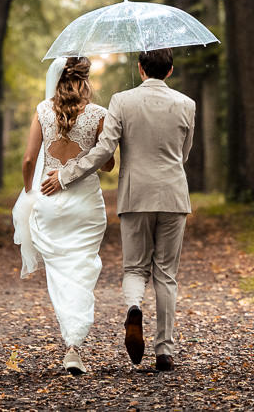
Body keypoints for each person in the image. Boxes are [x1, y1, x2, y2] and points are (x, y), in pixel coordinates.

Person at [41, 47, 196, 373]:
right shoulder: (186, 104)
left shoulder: (121, 102)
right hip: (173, 196)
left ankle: (134, 307)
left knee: (135, 268)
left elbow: (103, 152)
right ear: (169, 71)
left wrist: (66, 175)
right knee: (166, 274)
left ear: (140, 68)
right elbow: (184, 154)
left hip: (134, 196)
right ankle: (165, 350)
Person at [13, 56, 114, 375]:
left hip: (49, 201)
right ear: (87, 80)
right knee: (82, 267)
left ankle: (71, 340)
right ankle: (75, 343)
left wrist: (30, 191)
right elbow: (108, 163)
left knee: (58, 271)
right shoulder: (100, 115)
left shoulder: (43, 111)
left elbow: (29, 159)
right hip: (85, 205)